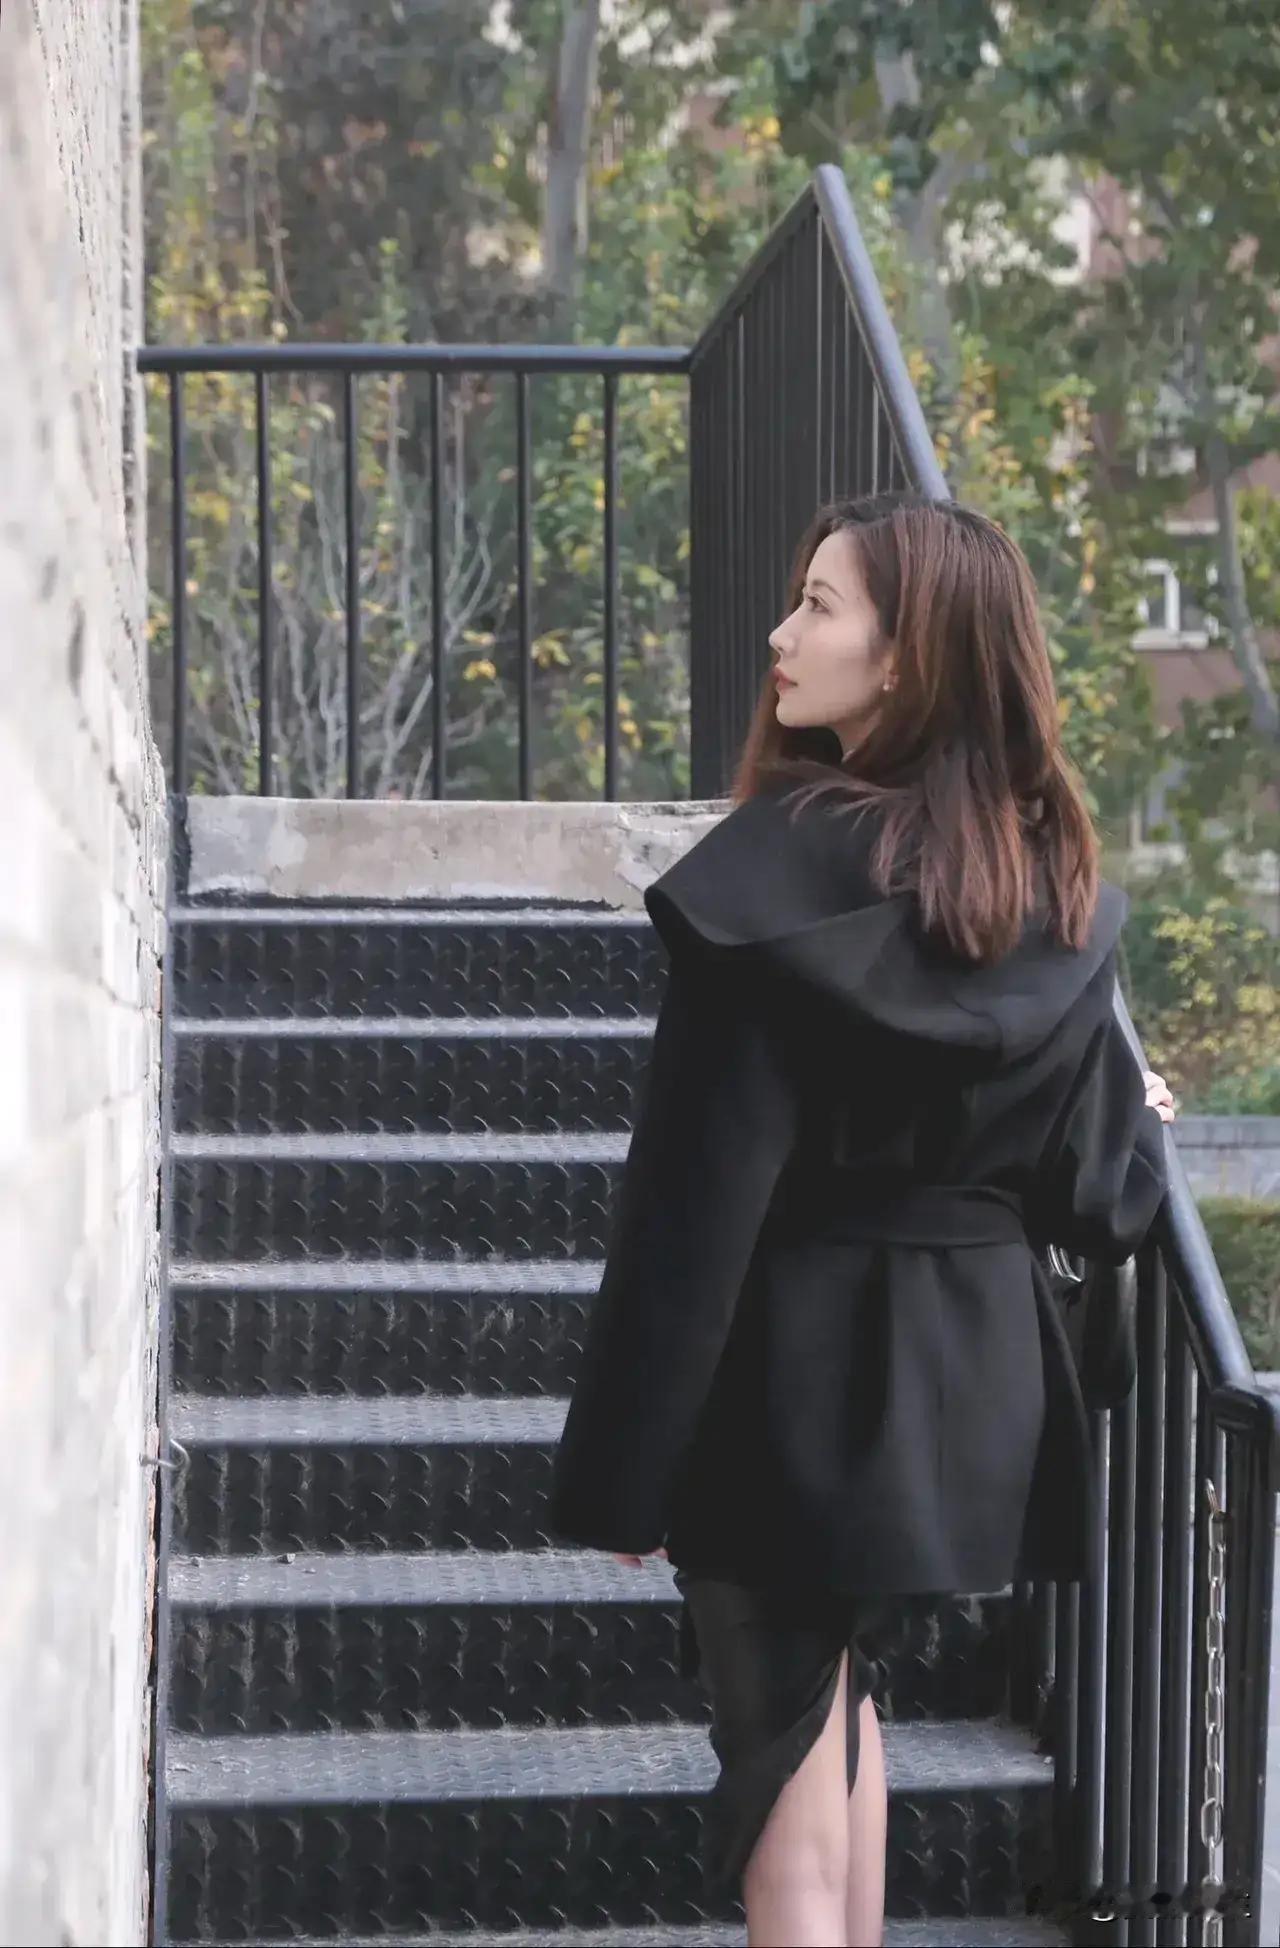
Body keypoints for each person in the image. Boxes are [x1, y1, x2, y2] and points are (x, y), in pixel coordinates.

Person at [547, 491, 1177, 1948]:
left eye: (819, 605)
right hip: (970, 1382)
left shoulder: (770, 880)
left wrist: (628, 1466)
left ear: (907, 657)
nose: (781, 633)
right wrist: (1142, 1116)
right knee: (833, 1710)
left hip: (791, 1369)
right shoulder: (1049, 891)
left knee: (778, 1752)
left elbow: (692, 1208)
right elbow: (1099, 1192)